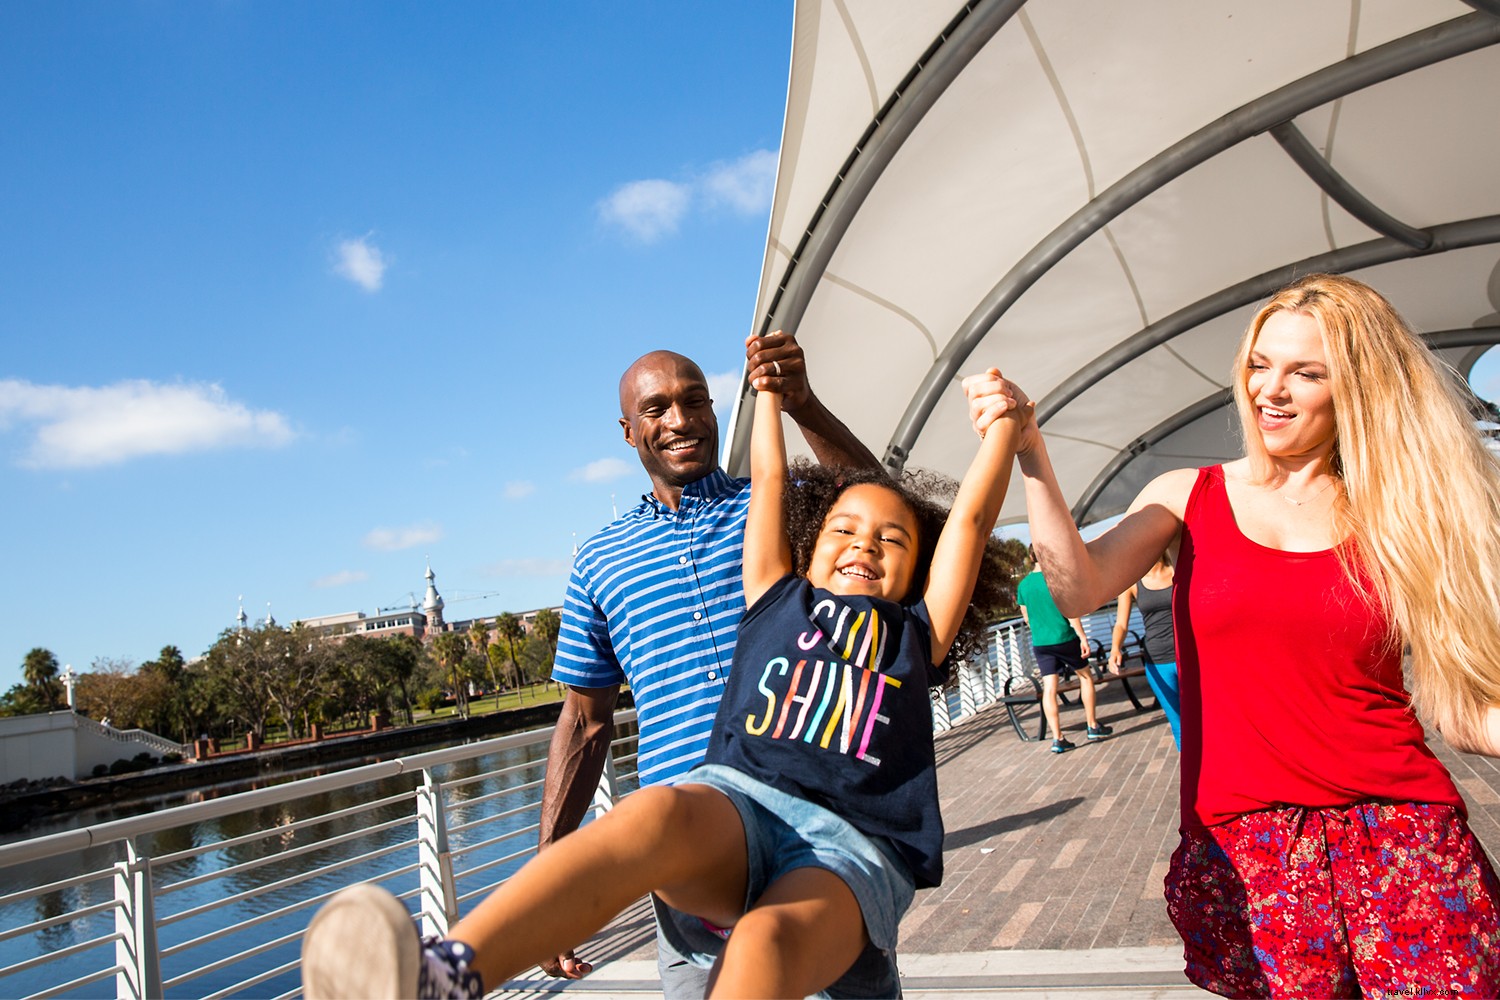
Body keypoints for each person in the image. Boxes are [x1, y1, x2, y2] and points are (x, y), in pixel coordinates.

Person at [300, 370, 1028, 999]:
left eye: (891, 539)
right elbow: (771, 481)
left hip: (850, 844)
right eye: (843, 530)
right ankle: (444, 974)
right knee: (652, 817)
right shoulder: (774, 591)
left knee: (765, 944)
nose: (864, 544)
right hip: (734, 808)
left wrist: (1003, 430)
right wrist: (764, 398)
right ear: (806, 547)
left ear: (918, 567)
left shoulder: (915, 631)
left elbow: (966, 521)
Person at [966, 273, 1500, 996]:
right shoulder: (1188, 497)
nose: (1269, 390)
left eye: (1305, 372)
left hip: (1401, 836)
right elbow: (1080, 586)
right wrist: (1032, 451)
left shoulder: (1402, 512)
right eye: (1259, 364)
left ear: (1357, 389)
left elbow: (1465, 712)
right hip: (1250, 845)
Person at [539, 333, 902, 996]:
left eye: (695, 401)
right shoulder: (598, 561)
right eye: (656, 409)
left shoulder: (778, 505)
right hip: (692, 865)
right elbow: (585, 724)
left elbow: (881, 506)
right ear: (628, 432)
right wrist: (550, 879)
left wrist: (806, 407)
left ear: (715, 410)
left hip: (815, 834)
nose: (679, 420)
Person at [1015, 550, 1110, 753]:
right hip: (1064, 638)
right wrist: (1083, 637)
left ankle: (1058, 739)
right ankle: (1092, 726)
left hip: (1041, 643)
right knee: (1086, 677)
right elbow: (1071, 612)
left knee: (1049, 688)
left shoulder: (1023, 585)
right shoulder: (1056, 580)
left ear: (1031, 558)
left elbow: (1027, 619)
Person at [1106, 552, 1181, 749]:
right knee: (1179, 725)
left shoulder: (1177, 567)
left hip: (1190, 656)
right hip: (1158, 662)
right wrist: (1115, 649)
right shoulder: (1132, 581)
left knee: (1208, 718)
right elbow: (1121, 624)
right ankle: (1196, 778)